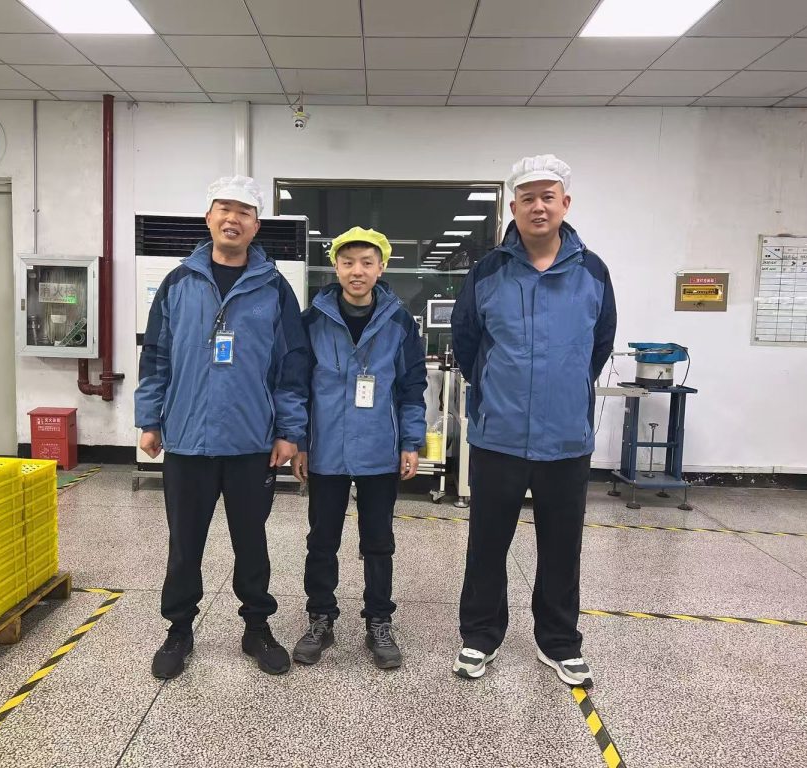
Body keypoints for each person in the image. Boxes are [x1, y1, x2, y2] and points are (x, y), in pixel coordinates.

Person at [450, 155, 616, 687]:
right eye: (528, 198)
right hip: (498, 434)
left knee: (563, 546)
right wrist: (497, 389)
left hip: (565, 438)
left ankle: (560, 641)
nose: (538, 207)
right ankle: (480, 636)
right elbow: (467, 340)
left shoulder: (592, 272)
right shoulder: (488, 272)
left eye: (548, 197)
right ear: (513, 207)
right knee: (487, 543)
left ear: (565, 203)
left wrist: (565, 389)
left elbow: (599, 345)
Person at [135, 175, 308, 679]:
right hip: (187, 438)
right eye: (224, 209)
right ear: (208, 217)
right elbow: (157, 355)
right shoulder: (179, 283)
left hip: (252, 441)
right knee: (184, 543)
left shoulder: (274, 288)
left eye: (244, 212)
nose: (233, 219)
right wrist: (149, 419)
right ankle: (178, 630)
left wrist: (289, 430)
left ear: (256, 224)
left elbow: (291, 365)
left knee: (251, 542)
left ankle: (257, 627)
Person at [290, 227, 427, 669]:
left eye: (367, 262)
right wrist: (299, 441)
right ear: (336, 267)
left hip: (379, 449)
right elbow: (296, 386)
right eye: (348, 262)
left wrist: (410, 441)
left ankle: (379, 622)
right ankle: (320, 618)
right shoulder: (311, 321)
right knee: (321, 539)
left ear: (381, 268)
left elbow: (411, 387)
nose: (357, 271)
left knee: (379, 541)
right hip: (326, 449)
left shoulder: (400, 323)